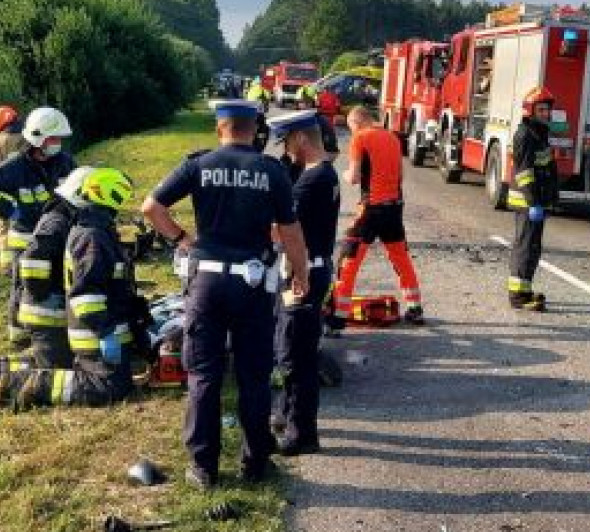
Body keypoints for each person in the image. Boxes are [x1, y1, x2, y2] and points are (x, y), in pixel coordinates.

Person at [142, 99, 310, 489]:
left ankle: (204, 467)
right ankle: (255, 462)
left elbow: (152, 208)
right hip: (252, 286)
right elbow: (291, 233)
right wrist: (298, 273)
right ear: (254, 131)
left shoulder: (198, 164)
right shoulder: (271, 171)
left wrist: (183, 239)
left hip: (207, 284)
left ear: (220, 129)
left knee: (204, 375)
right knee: (254, 375)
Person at [2, 168, 144, 410]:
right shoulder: (74, 227)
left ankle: (12, 375)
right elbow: (40, 267)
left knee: (72, 371)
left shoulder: (87, 225)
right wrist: (45, 297)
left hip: (76, 317)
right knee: (85, 380)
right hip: (57, 317)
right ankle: (23, 381)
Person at [0, 165, 93, 401]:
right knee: (56, 372)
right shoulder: (57, 219)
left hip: (48, 309)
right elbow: (33, 266)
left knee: (57, 363)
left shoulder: (64, 205)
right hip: (45, 310)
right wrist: (44, 296)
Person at [0, 106, 76, 348]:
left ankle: (53, 328)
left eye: (60, 138)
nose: (58, 143)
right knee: (23, 286)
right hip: (26, 239)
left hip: (57, 236)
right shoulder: (15, 166)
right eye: (53, 138)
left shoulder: (65, 162)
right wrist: (11, 210)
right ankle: (18, 334)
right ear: (38, 138)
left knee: (56, 281)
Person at [269, 110, 340, 455]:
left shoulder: (312, 181)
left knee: (296, 355)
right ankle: (287, 414)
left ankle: (302, 434)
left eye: (286, 141)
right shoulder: (322, 173)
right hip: (309, 269)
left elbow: (282, 228)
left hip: (304, 274)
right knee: (292, 346)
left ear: (299, 138)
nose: (285, 150)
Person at [331, 106, 425, 325]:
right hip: (394, 207)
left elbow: (353, 177)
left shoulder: (360, 138)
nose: (352, 132)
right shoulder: (392, 137)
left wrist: (344, 174)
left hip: (371, 209)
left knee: (348, 258)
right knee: (400, 257)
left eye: (351, 127)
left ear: (357, 122)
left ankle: (338, 315)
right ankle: (415, 307)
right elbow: (400, 175)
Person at [506, 86, 558, 312]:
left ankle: (525, 290)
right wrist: (534, 201)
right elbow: (524, 172)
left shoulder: (540, 133)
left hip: (538, 200)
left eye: (547, 109)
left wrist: (552, 195)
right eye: (542, 109)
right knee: (525, 246)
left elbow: (546, 166)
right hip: (527, 201)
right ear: (531, 110)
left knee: (533, 247)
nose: (546, 113)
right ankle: (517, 296)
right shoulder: (525, 135)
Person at [0, 105, 28, 267]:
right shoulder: (28, 136)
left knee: (3, 223)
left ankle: (8, 264)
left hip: (6, 189)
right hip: (30, 186)